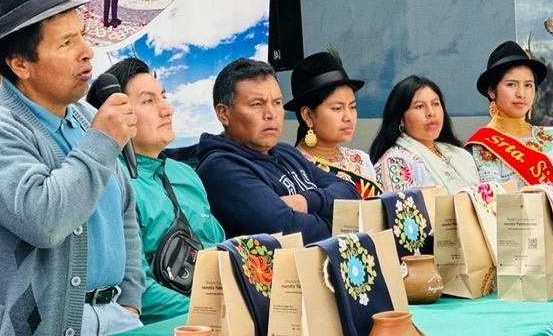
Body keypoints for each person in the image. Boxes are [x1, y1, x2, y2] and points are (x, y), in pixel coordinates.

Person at [0, 0, 145, 336]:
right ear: (20, 64)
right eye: (66, 43)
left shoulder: (85, 118)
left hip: (117, 322)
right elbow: (46, 220)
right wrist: (103, 141)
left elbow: (124, 212)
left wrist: (129, 300)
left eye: (83, 35)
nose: (86, 51)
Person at [106, 57, 226, 324]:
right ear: (117, 115)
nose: (167, 110)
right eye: (148, 101)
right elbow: (137, 290)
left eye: (164, 97)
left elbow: (218, 249)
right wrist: (214, 315)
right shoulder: (113, 181)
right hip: (165, 331)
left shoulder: (186, 174)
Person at [196, 58, 361, 243]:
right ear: (224, 114)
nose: (271, 114)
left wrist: (307, 201)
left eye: (276, 102)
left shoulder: (285, 152)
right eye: (257, 104)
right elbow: (288, 231)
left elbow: (351, 192)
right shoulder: (221, 168)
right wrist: (345, 224)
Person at [467, 41, 553, 205]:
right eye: (511, 84)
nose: (521, 93)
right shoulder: (483, 147)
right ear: (492, 91)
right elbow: (495, 206)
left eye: (528, 85)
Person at [288, 50, 382, 198]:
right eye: (337, 108)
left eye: (352, 107)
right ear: (307, 115)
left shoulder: (361, 160)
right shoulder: (294, 167)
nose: (349, 117)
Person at [370, 75, 478, 193]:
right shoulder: (395, 162)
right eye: (419, 106)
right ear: (401, 119)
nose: (431, 112)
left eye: (435, 104)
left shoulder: (461, 155)